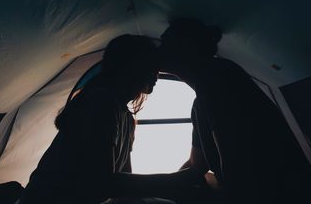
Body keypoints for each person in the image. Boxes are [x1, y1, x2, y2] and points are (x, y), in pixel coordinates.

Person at [19, 35, 204, 204]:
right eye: (151, 65)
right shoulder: (102, 102)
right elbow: (102, 184)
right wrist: (175, 182)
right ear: (134, 66)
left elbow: (122, 187)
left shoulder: (126, 117)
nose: (157, 72)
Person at [159, 18, 311, 203]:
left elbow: (239, 172)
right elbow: (196, 166)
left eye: (165, 42)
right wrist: (137, 185)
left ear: (186, 46)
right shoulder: (201, 101)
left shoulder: (217, 77)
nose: (159, 49)